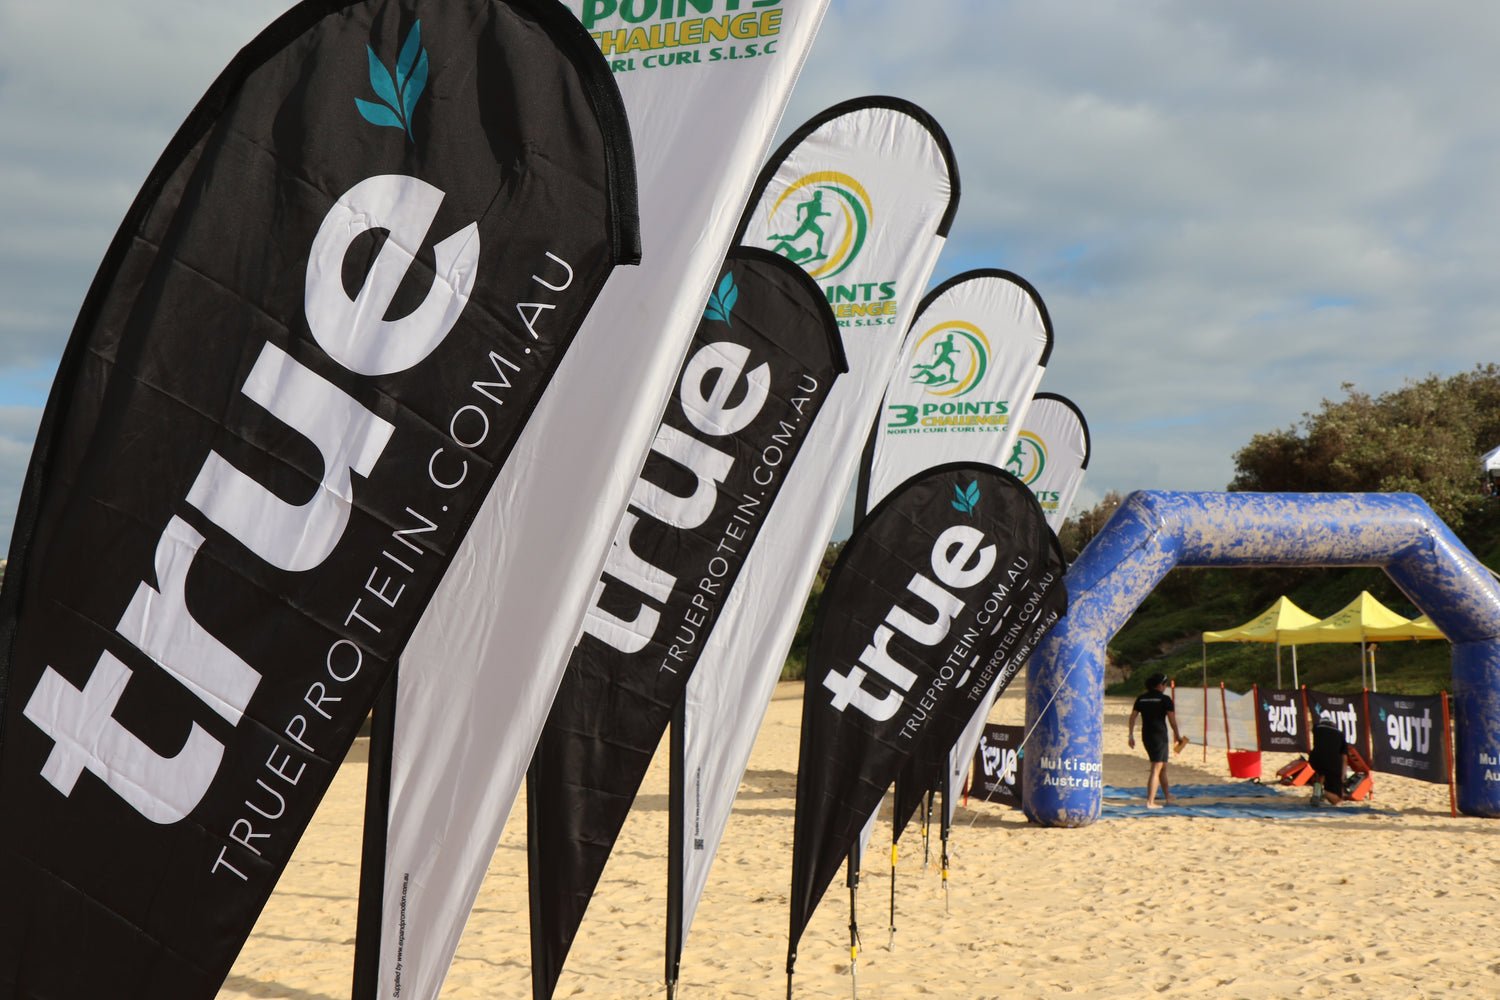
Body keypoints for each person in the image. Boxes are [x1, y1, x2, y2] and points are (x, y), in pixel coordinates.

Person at [1128, 673, 1184, 808]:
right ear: (1160, 685)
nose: (1165, 687)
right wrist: (1178, 736)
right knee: (1156, 768)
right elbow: (1172, 721)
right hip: (1160, 736)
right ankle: (1150, 802)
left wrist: (1130, 735)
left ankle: (1168, 797)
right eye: (1165, 684)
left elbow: (1132, 718)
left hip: (1146, 735)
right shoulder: (1165, 699)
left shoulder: (1141, 698)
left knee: (1162, 767)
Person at [1309, 711, 1369, 805]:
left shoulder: (1316, 728)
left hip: (1315, 760)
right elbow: (1344, 758)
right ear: (1334, 724)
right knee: (1337, 800)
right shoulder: (1340, 734)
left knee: (1320, 771)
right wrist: (1342, 775)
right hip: (1333, 764)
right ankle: (1322, 792)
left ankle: (1318, 787)